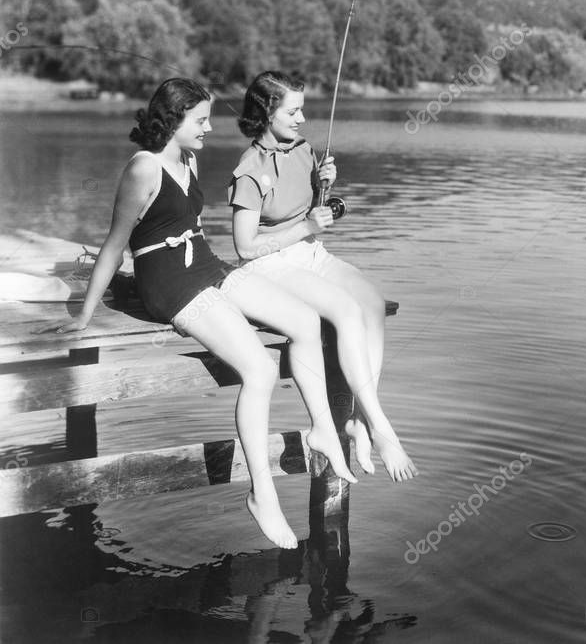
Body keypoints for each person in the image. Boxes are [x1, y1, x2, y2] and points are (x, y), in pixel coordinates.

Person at [46, 77, 357, 548]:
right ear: (172, 120)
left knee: (306, 321)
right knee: (258, 370)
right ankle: (263, 494)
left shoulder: (188, 157)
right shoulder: (143, 169)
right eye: (201, 119)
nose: (211, 128)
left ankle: (321, 431)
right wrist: (85, 317)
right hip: (170, 284)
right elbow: (114, 245)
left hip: (206, 265)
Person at [228, 70, 417, 482]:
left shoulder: (304, 150)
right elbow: (244, 248)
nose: (301, 118)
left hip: (310, 253)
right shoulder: (249, 169)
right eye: (292, 111)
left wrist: (324, 186)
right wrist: (306, 228)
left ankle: (358, 421)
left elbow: (311, 211)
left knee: (372, 303)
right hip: (271, 264)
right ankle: (379, 427)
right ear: (266, 113)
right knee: (346, 312)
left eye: (303, 109)